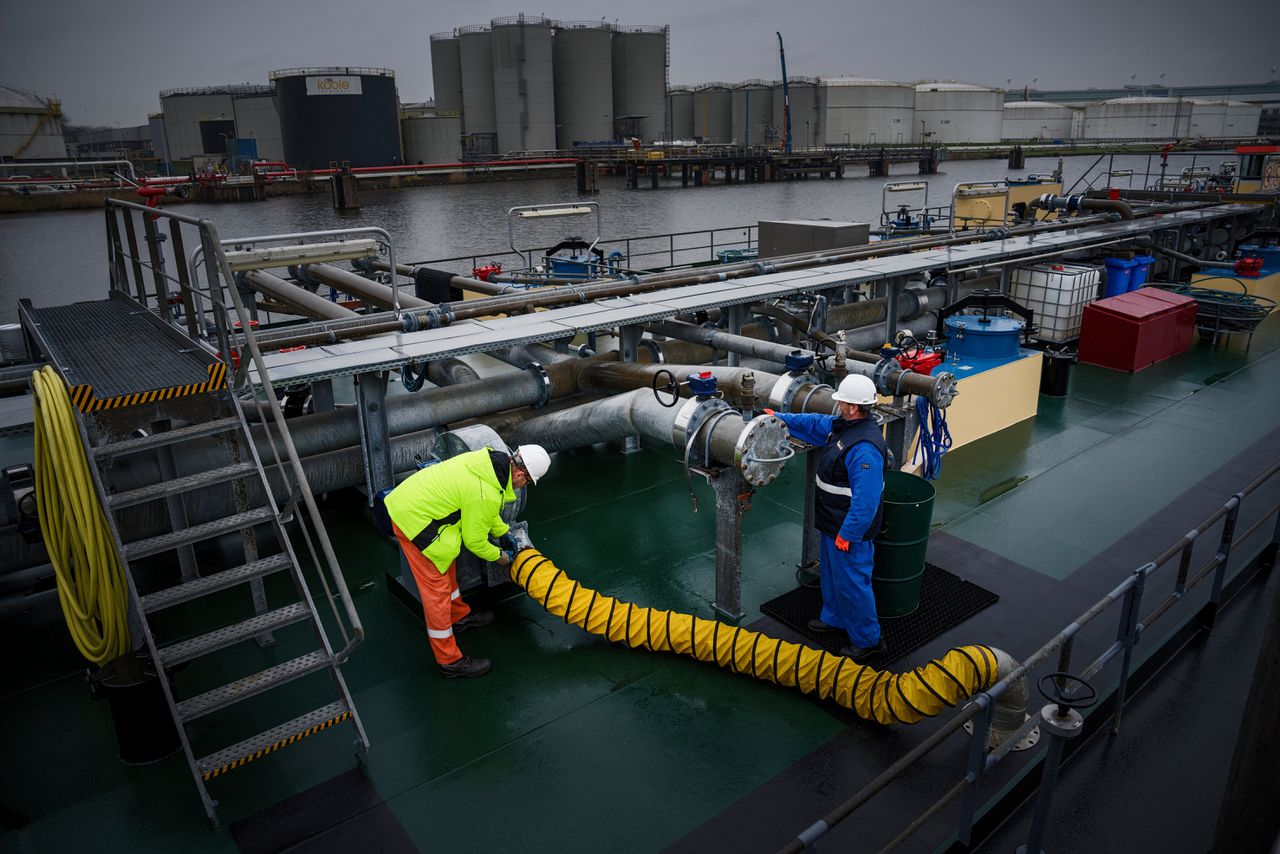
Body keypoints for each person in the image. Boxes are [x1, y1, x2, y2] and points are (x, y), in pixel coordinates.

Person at [384, 444, 551, 678]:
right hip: (413, 519)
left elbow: (487, 508)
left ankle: (459, 617)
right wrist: (501, 558)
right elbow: (475, 541)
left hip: (416, 504)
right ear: (520, 474)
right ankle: (449, 661)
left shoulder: (492, 465)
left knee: (446, 563)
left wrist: (503, 533)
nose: (526, 486)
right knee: (437, 590)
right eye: (529, 483)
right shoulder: (487, 489)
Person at [765, 374, 887, 661]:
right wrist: (779, 418)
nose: (839, 405)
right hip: (833, 523)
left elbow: (866, 502)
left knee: (854, 583)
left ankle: (869, 640)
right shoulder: (844, 428)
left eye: (842, 401)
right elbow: (815, 424)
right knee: (833, 577)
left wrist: (849, 534)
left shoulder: (864, 448)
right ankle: (834, 618)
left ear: (854, 408)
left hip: (847, 531)